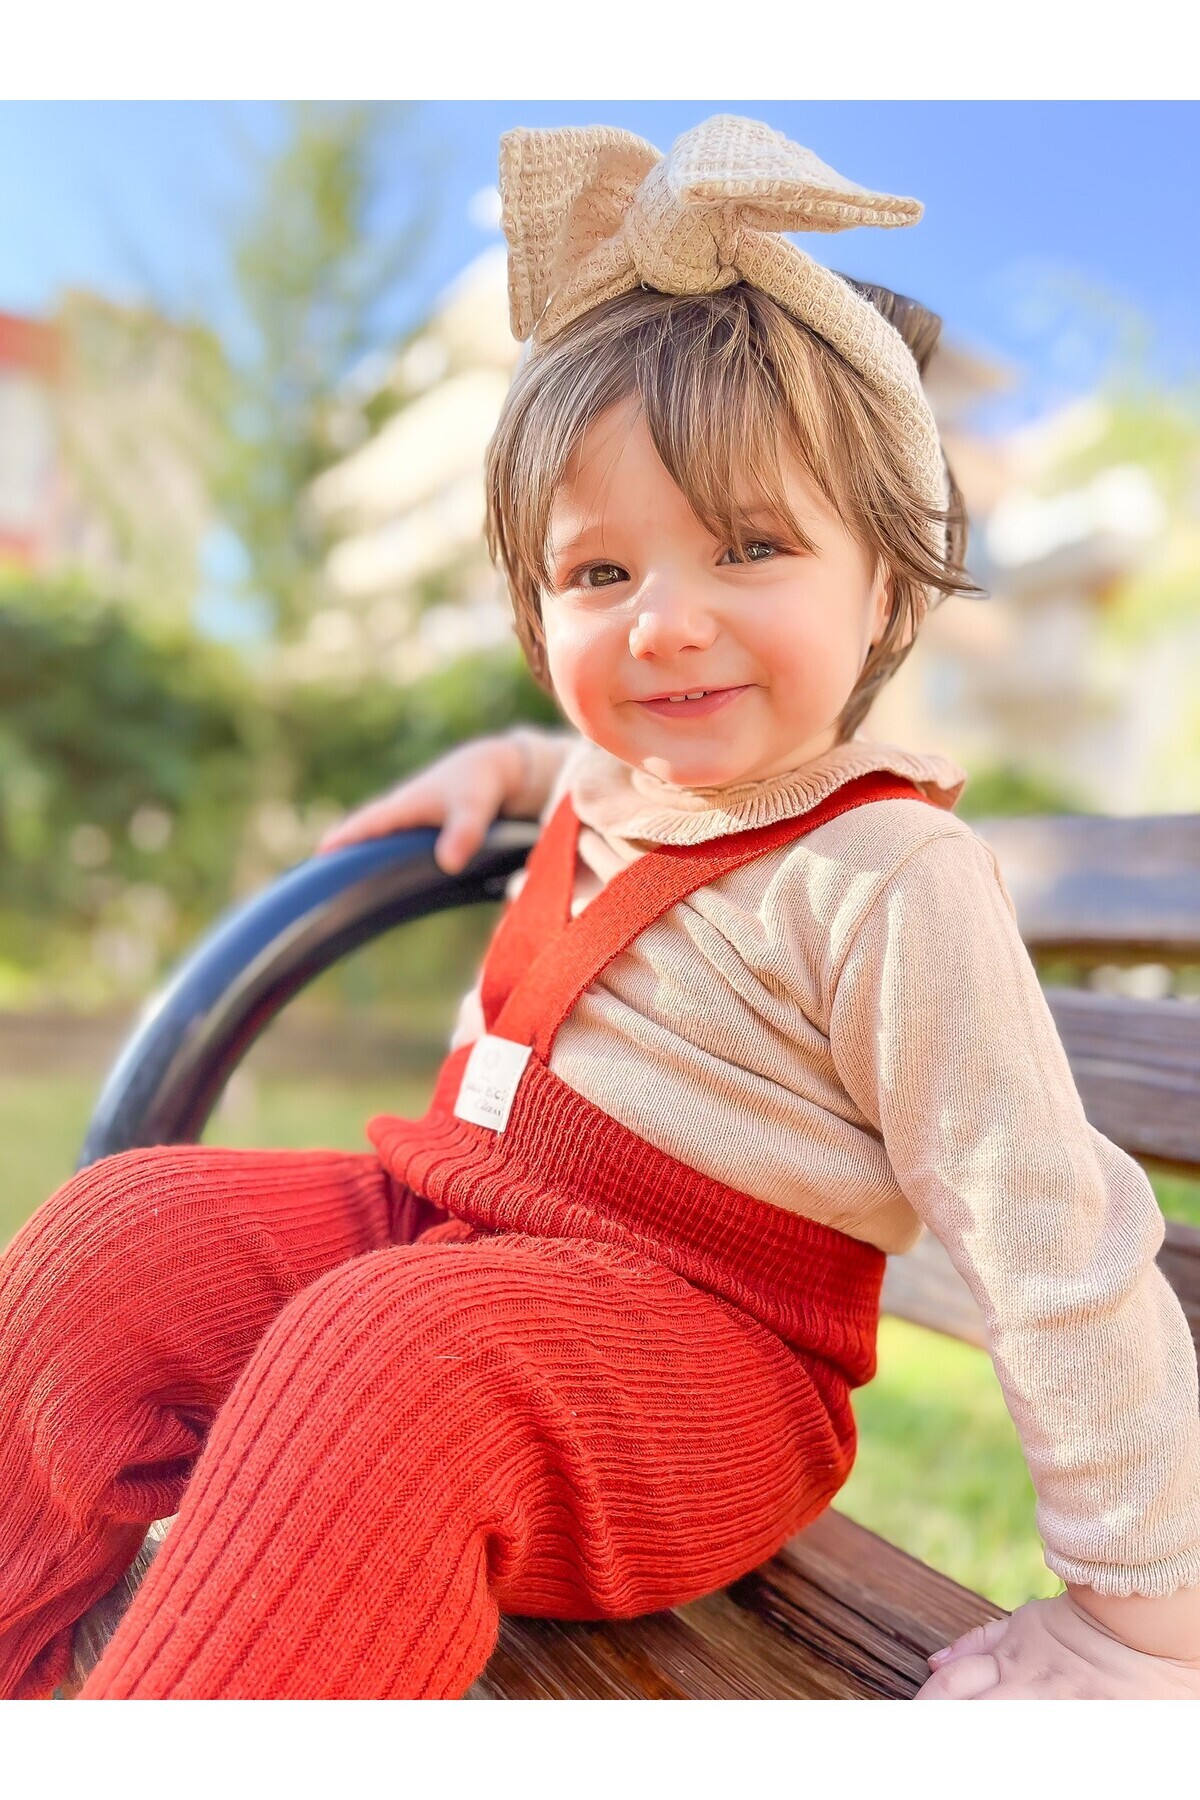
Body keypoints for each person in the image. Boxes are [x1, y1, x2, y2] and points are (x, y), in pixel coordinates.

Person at [2, 115, 1199, 1704]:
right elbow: (574, 748)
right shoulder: (606, 776)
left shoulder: (885, 879)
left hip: (700, 1368)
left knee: (391, 1362)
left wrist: (1146, 1615)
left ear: (891, 590)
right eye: (599, 575)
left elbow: (1050, 1232)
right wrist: (496, 766)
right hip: (441, 1237)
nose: (667, 625)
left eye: (750, 546)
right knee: (113, 1240)